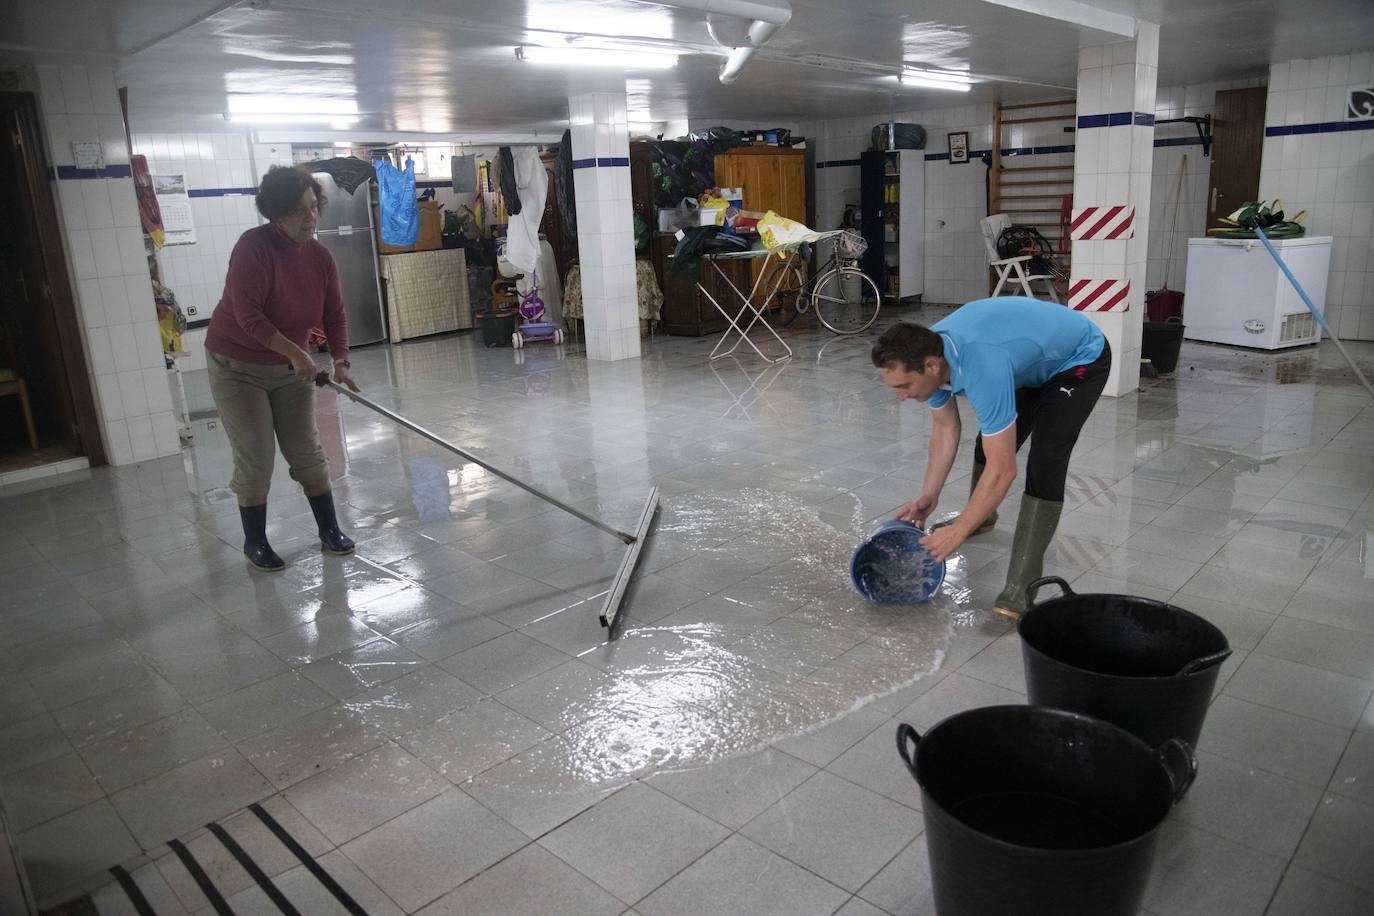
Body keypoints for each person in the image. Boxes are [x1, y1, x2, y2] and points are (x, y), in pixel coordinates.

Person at [872, 297, 1111, 619]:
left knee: (1045, 459)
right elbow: (945, 428)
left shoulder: (981, 367)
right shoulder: (928, 352)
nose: (901, 397)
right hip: (1024, 357)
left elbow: (1003, 470)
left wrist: (958, 531)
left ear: (931, 367)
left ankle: (1023, 582)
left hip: (1077, 358)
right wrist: (929, 496)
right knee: (989, 442)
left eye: (904, 386)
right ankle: (983, 517)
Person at [204, 165, 360, 571]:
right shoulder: (252, 248)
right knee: (256, 458)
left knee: (307, 451)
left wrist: (340, 360)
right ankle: (255, 542)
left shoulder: (320, 257)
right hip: (237, 365)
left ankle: (329, 530)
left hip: (291, 367)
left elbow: (334, 313)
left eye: (313, 206)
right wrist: (296, 353)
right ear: (275, 213)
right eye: (298, 211)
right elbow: (248, 317)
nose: (310, 217)